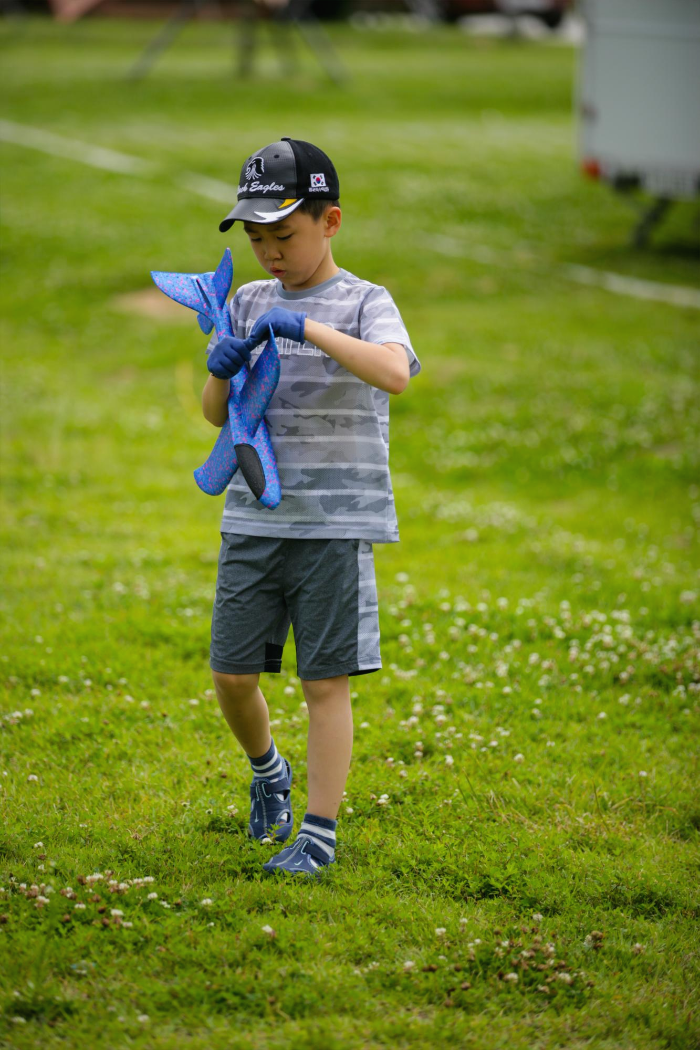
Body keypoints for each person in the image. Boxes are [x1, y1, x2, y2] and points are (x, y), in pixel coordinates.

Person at [202, 136, 422, 879]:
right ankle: (269, 771)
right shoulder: (245, 300)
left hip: (334, 526)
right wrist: (219, 370)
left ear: (330, 222)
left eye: (284, 235)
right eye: (257, 239)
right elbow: (217, 414)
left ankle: (318, 836)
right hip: (252, 520)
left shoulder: (365, 301)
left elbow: (395, 373)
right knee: (232, 674)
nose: (270, 253)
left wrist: (310, 328)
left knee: (323, 684)